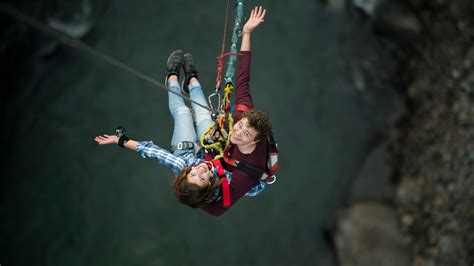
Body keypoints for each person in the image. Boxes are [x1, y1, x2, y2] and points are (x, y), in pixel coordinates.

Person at [95, 6, 271, 216]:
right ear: (210, 186)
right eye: (203, 177)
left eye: (194, 173)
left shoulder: (185, 164)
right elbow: (236, 194)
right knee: (204, 113)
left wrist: (121, 141)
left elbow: (154, 152)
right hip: (214, 153)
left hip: (189, 151)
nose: (200, 170)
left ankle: (172, 76)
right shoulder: (231, 183)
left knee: (183, 113)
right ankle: (193, 78)